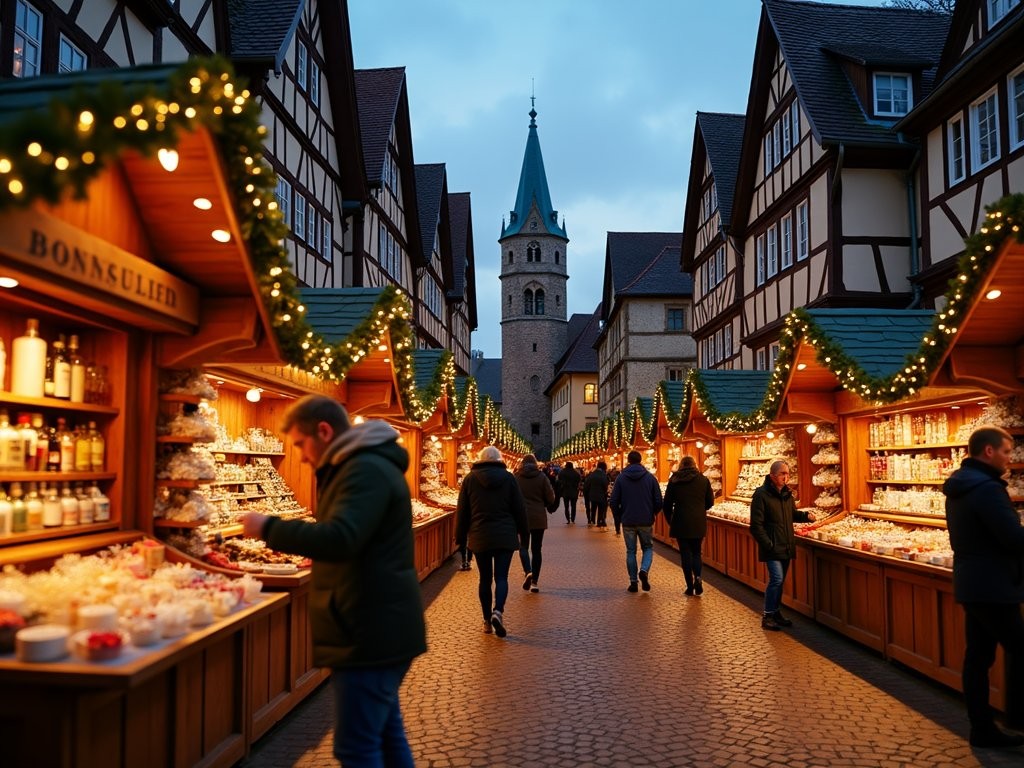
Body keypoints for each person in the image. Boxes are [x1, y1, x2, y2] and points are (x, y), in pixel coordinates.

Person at [241, 395, 425, 767]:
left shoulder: (362, 469)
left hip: (369, 628)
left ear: (323, 431)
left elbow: (342, 538)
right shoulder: (362, 465)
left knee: (357, 748)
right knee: (386, 737)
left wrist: (269, 527)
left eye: (300, 444)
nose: (303, 456)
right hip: (376, 623)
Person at [944, 425, 1024, 749]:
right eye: (1006, 451)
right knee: (1019, 648)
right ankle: (1014, 719)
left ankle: (982, 728)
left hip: (972, 581)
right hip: (995, 584)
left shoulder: (961, 486)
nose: (1009, 458)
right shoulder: (988, 489)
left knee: (978, 656)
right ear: (988, 452)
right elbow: (1012, 537)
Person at [456, 445, 529, 637]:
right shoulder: (509, 478)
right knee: (502, 578)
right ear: (499, 459)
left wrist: (460, 538)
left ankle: (487, 621)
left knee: (485, 579)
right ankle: (498, 611)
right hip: (504, 535)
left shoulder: (470, 479)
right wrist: (524, 533)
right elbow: (519, 509)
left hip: (480, 535)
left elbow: (462, 512)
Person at [748, 460, 814, 630]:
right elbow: (756, 525)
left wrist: (806, 516)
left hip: (785, 544)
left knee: (780, 581)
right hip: (772, 545)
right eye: (782, 474)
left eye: (788, 473)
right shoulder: (761, 495)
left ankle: (776, 612)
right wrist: (768, 544)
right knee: (776, 579)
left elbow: (791, 515)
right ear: (772, 476)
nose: (786, 477)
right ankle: (768, 615)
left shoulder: (787, 494)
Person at [609, 450, 663, 592]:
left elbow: (613, 501)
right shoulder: (650, 478)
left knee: (631, 551)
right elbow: (658, 500)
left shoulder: (621, 478)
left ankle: (633, 582)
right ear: (640, 460)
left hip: (628, 520)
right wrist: (653, 513)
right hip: (645, 519)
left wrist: (619, 515)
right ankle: (644, 570)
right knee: (648, 548)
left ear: (628, 461)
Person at [663, 455, 714, 596]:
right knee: (697, 552)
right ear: (694, 465)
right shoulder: (703, 480)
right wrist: (700, 508)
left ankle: (689, 586)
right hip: (698, 521)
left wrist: (670, 520)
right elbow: (710, 502)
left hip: (680, 521)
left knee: (685, 554)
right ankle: (698, 577)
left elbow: (666, 504)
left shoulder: (674, 481)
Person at [515, 453, 557, 592]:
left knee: (523, 547)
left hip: (522, 517)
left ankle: (528, 571)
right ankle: (534, 582)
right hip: (538, 517)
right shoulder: (542, 477)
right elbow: (551, 497)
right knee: (537, 549)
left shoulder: (517, 478)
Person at [583, 461, 610, 531]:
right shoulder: (603, 475)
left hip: (592, 495)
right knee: (601, 509)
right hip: (601, 495)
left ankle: (592, 520)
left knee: (593, 508)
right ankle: (599, 521)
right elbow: (605, 484)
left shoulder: (592, 474)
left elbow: (587, 485)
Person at [606, 464, 622, 534]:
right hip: (623, 502)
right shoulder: (622, 479)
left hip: (616, 501)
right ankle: (618, 528)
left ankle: (617, 529)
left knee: (616, 516)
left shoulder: (616, 480)